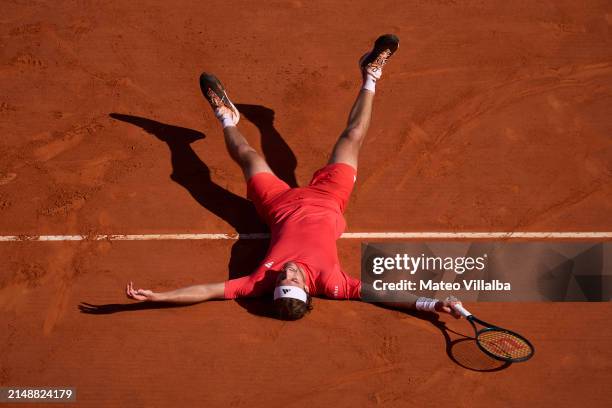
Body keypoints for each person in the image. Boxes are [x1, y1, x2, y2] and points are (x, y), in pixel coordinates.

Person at [126, 34, 462, 320]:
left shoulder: (260, 281)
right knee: (352, 137)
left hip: (277, 205)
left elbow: (209, 290)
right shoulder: (334, 283)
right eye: (294, 279)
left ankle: (225, 117)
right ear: (308, 290)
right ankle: (371, 74)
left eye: (283, 280)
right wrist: (433, 303)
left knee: (248, 158)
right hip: (330, 199)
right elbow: (384, 293)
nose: (288, 272)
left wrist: (159, 296)